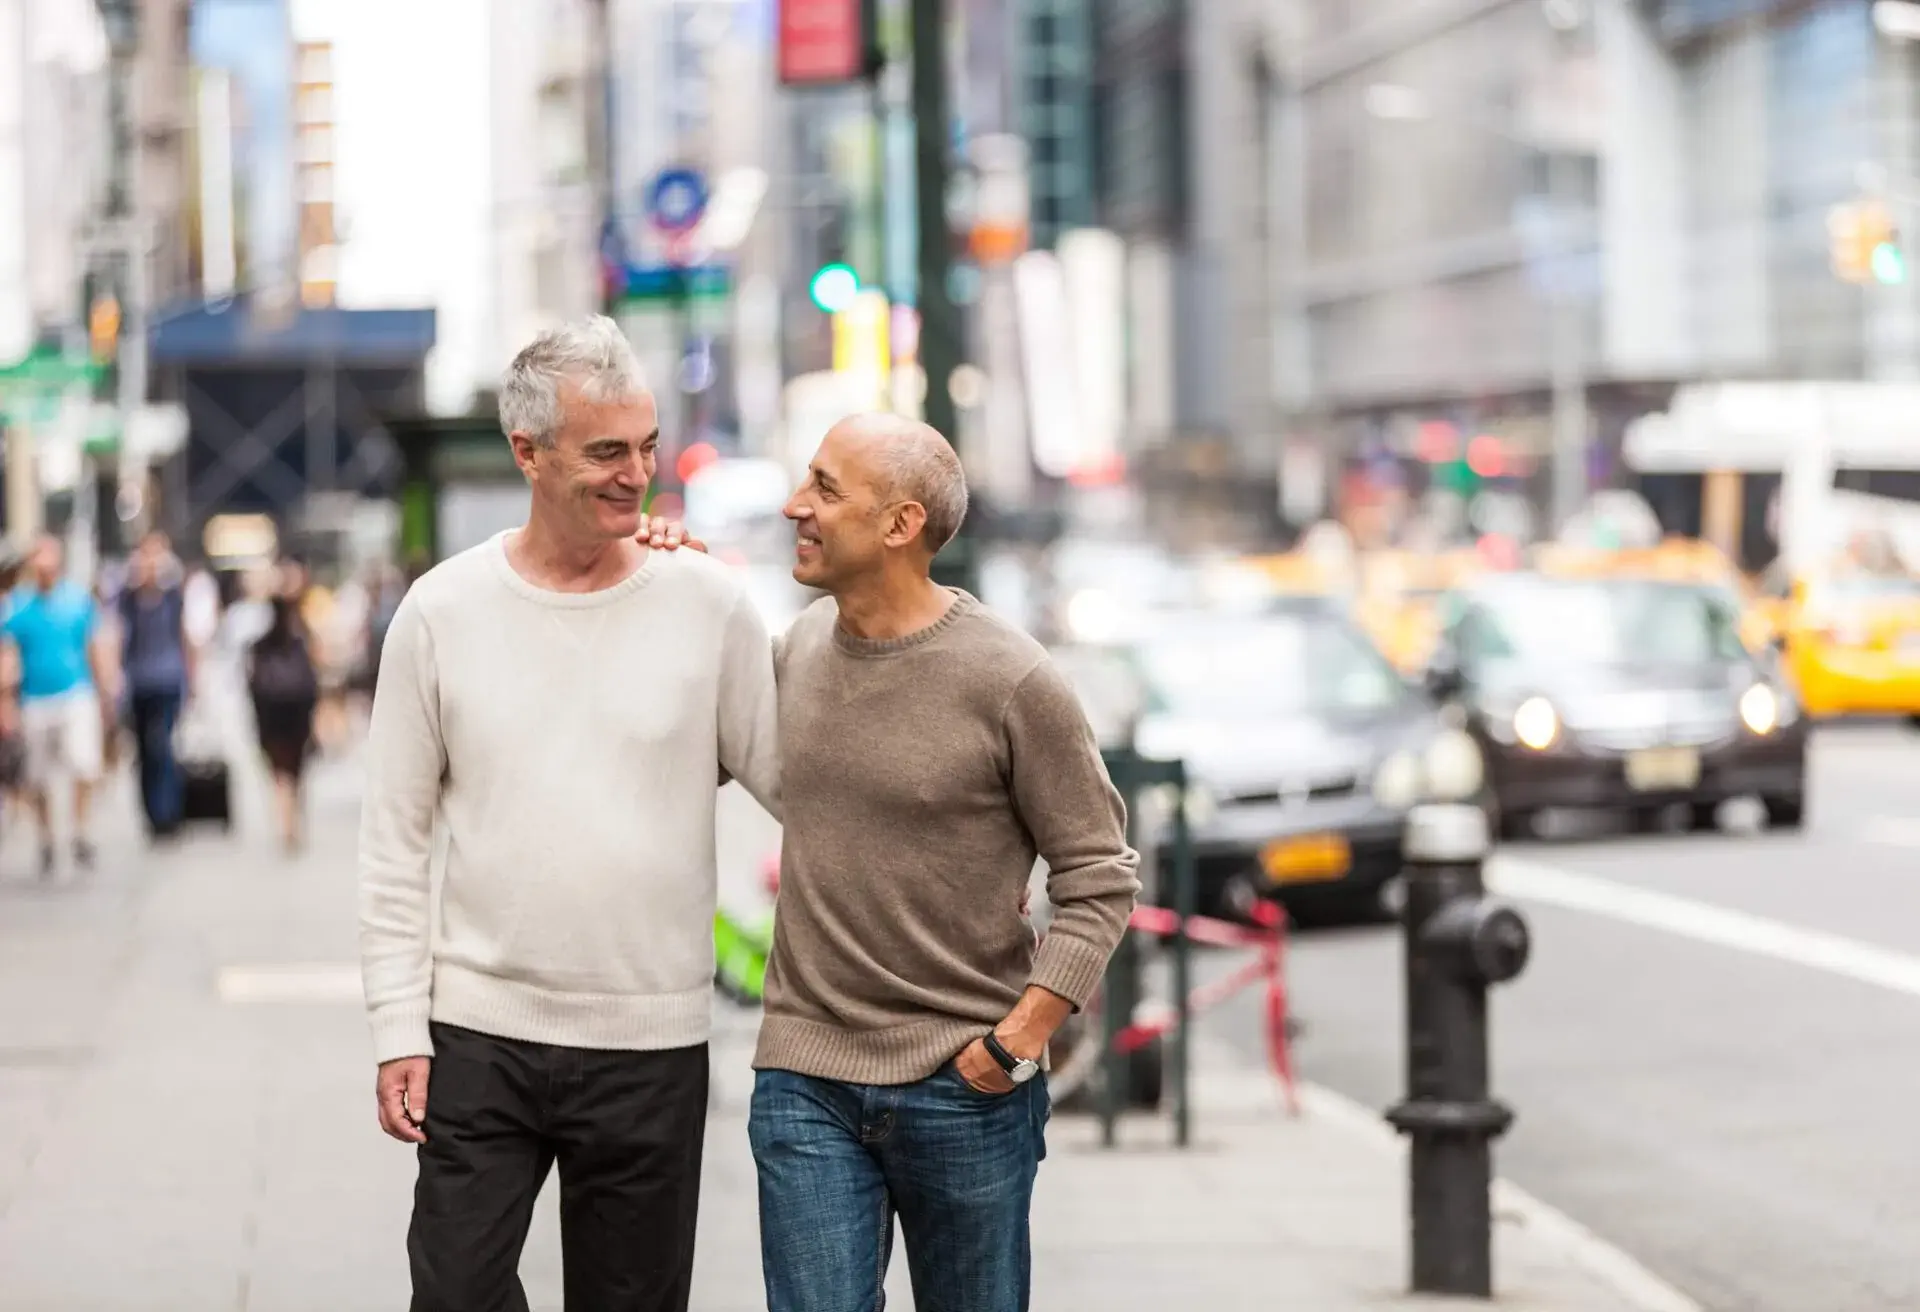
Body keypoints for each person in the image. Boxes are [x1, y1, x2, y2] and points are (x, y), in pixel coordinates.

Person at [357, 315, 780, 1311]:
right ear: (528, 453)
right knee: (453, 1295)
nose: (636, 474)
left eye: (644, 447)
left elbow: (800, 780)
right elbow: (393, 841)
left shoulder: (707, 605)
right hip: (478, 1033)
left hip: (652, 1040)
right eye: (605, 452)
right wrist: (395, 1027)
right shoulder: (441, 611)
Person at [746, 414, 1140, 1312]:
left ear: (900, 525)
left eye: (825, 488)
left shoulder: (1011, 678)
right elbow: (691, 708)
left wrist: (1020, 1041)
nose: (793, 505)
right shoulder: (798, 650)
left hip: (963, 1085)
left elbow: (1099, 875)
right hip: (805, 1077)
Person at [2, 534, 118, 875]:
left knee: (83, 766)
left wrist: (105, 692)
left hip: (75, 693)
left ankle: (80, 831)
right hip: (35, 699)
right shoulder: (18, 607)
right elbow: (7, 656)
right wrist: (6, 702)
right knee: (36, 775)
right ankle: (47, 837)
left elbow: (94, 647)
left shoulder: (78, 600)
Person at [118, 532, 196, 840]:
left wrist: (192, 678)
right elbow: (119, 638)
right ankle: (150, 812)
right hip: (138, 682)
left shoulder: (174, 595)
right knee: (143, 751)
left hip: (167, 679)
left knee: (163, 745)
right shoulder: (128, 597)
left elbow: (184, 636)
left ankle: (169, 812)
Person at [246, 594, 318, 852]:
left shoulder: (259, 646)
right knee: (296, 772)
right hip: (296, 717)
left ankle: (285, 822)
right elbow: (312, 683)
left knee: (279, 773)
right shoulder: (299, 642)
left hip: (271, 718)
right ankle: (292, 822)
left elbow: (252, 685)